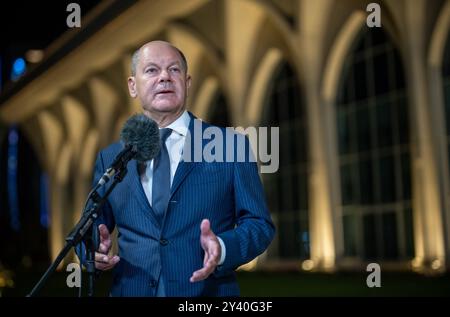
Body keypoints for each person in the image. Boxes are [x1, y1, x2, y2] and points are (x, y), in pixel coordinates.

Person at [89, 40, 275, 296]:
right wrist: (94, 247)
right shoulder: (111, 157)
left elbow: (259, 225)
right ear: (133, 86)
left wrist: (221, 247)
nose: (164, 77)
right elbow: (92, 226)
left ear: (187, 83)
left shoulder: (230, 146)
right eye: (152, 70)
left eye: (174, 70)